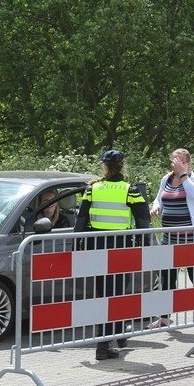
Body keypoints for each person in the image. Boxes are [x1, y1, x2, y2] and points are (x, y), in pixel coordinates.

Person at [73, 149, 152, 360]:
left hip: (97, 246)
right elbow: (144, 222)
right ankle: (104, 344)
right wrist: (144, 247)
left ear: (104, 166)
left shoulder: (93, 189)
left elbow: (81, 219)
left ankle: (116, 333)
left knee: (103, 295)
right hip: (120, 247)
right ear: (122, 165)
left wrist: (77, 245)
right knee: (116, 295)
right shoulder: (131, 190)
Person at [149, 148, 194, 333]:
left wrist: (184, 175)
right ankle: (165, 317)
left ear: (189, 164)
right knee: (167, 277)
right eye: (175, 161)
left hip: (193, 238)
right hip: (170, 237)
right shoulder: (166, 179)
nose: (177, 164)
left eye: (182, 162)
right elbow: (159, 198)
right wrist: (155, 207)